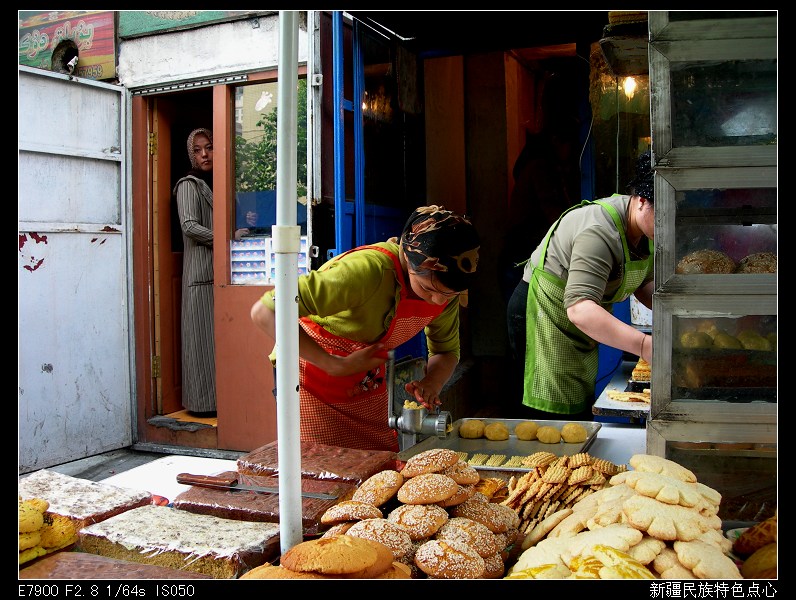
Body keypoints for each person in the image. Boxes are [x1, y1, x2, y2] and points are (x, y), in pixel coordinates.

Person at [250, 205, 480, 452]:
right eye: (428, 289)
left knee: (376, 464)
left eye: (449, 294)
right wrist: (334, 364)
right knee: (321, 468)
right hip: (309, 378)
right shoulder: (366, 271)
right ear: (407, 257)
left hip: (365, 380)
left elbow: (446, 351)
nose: (438, 301)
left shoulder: (445, 289)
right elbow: (266, 312)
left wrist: (432, 382)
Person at [507, 151, 655, 420]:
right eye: (664, 214)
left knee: (576, 404)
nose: (670, 225)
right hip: (545, 317)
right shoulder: (599, 231)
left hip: (575, 325)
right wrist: (645, 346)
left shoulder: (645, 232)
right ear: (642, 200)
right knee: (552, 417)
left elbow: (644, 283)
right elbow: (581, 310)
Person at [173, 128, 217, 414]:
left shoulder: (215, 183)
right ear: (191, 154)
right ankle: (202, 405)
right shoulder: (189, 185)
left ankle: (217, 402)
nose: (204, 154)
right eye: (198, 149)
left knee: (214, 344)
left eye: (209, 147)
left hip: (214, 275)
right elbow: (189, 226)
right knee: (201, 345)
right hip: (199, 275)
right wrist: (225, 240)